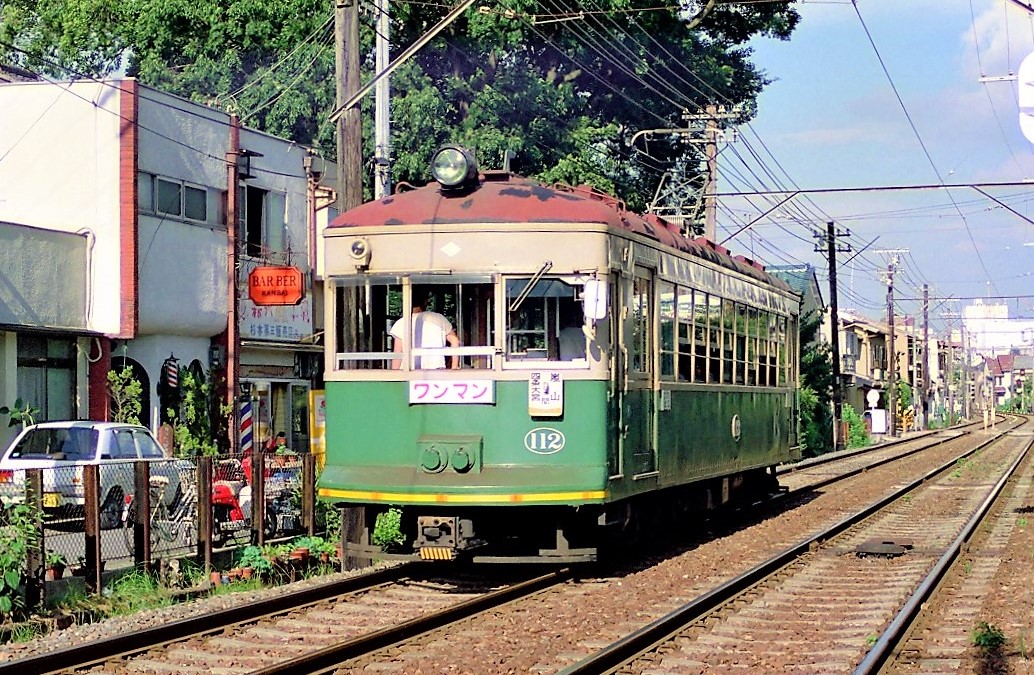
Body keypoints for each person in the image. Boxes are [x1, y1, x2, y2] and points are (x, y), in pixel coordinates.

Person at [390, 291, 461, 369]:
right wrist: (454, 367)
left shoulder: (401, 323)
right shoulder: (439, 319)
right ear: (425, 302)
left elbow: (398, 353)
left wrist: (394, 375)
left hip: (409, 371)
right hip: (436, 370)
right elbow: (454, 340)